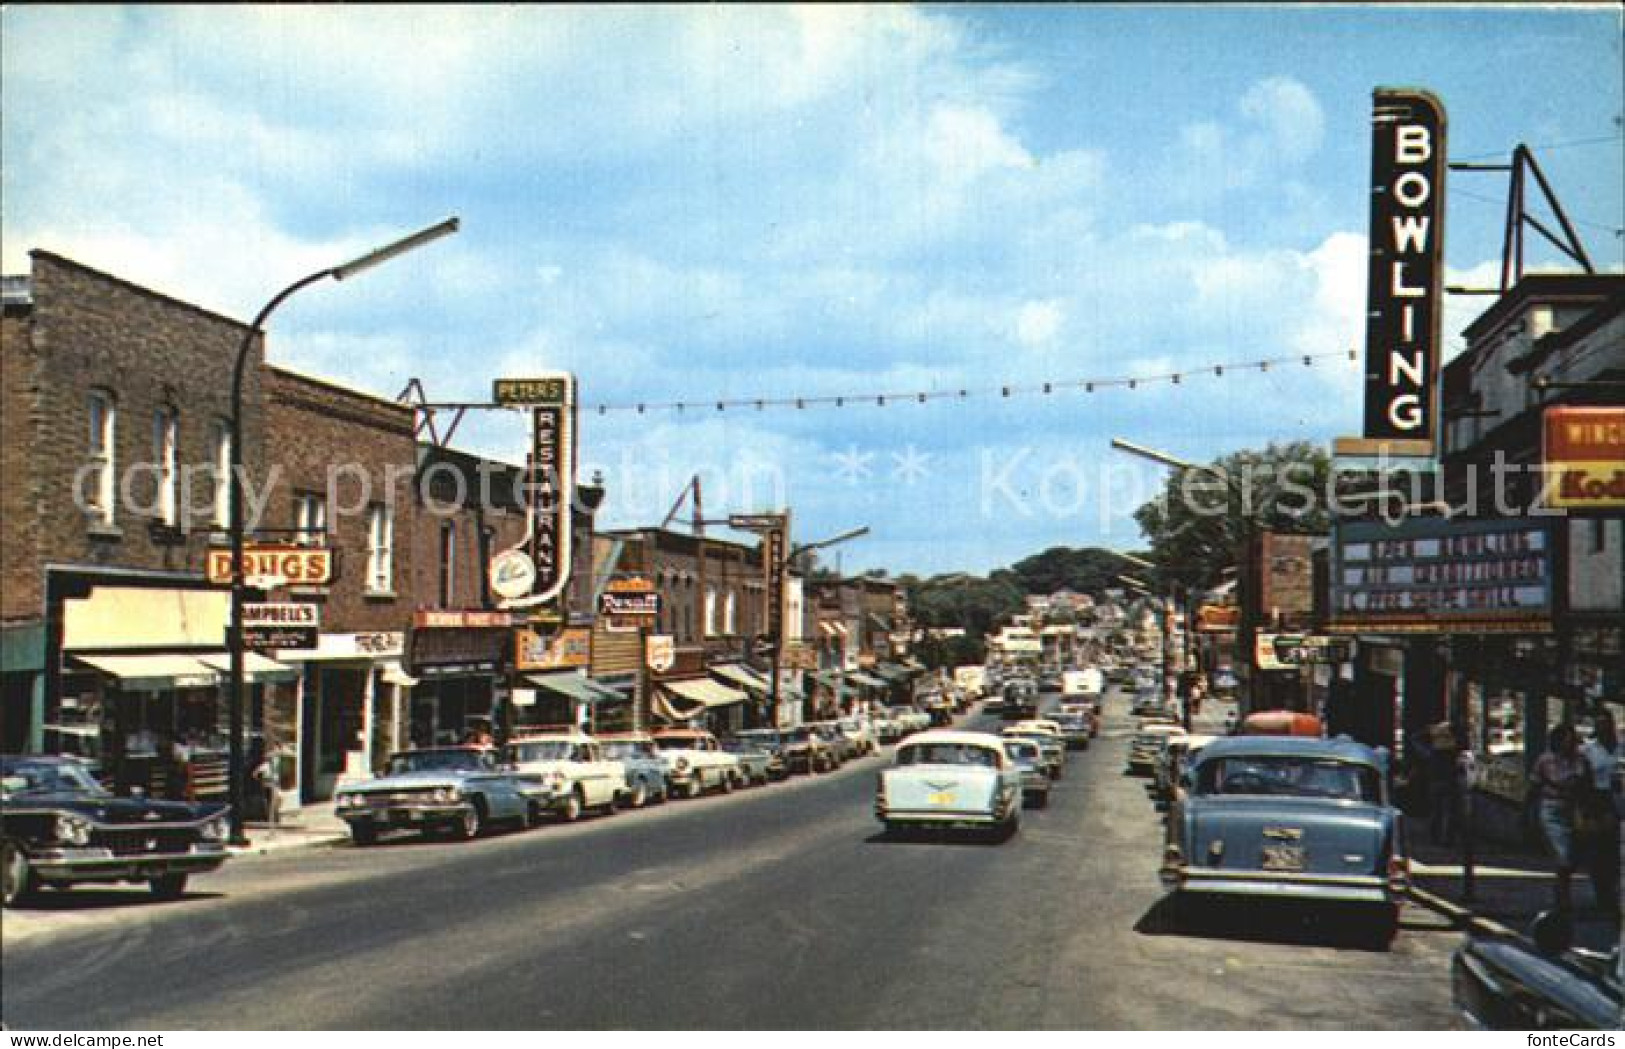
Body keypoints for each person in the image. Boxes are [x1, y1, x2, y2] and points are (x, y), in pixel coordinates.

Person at [1531, 724, 1593, 913]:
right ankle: (1562, 895)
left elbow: (1587, 785)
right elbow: (1533, 786)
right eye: (1567, 739)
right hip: (1551, 809)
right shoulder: (1545, 761)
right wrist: (1527, 814)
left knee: (1575, 855)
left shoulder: (1581, 760)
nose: (1570, 744)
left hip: (1573, 810)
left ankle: (1561, 886)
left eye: (1572, 740)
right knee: (1563, 855)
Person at [1579, 711, 1621, 920]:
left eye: (1607, 724)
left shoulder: (1621, 747)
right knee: (1600, 849)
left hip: (1620, 799)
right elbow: (1584, 779)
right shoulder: (1588, 750)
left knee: (1616, 850)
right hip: (1598, 799)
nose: (1604, 729)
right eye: (1600, 725)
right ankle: (1603, 893)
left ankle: (1613, 889)